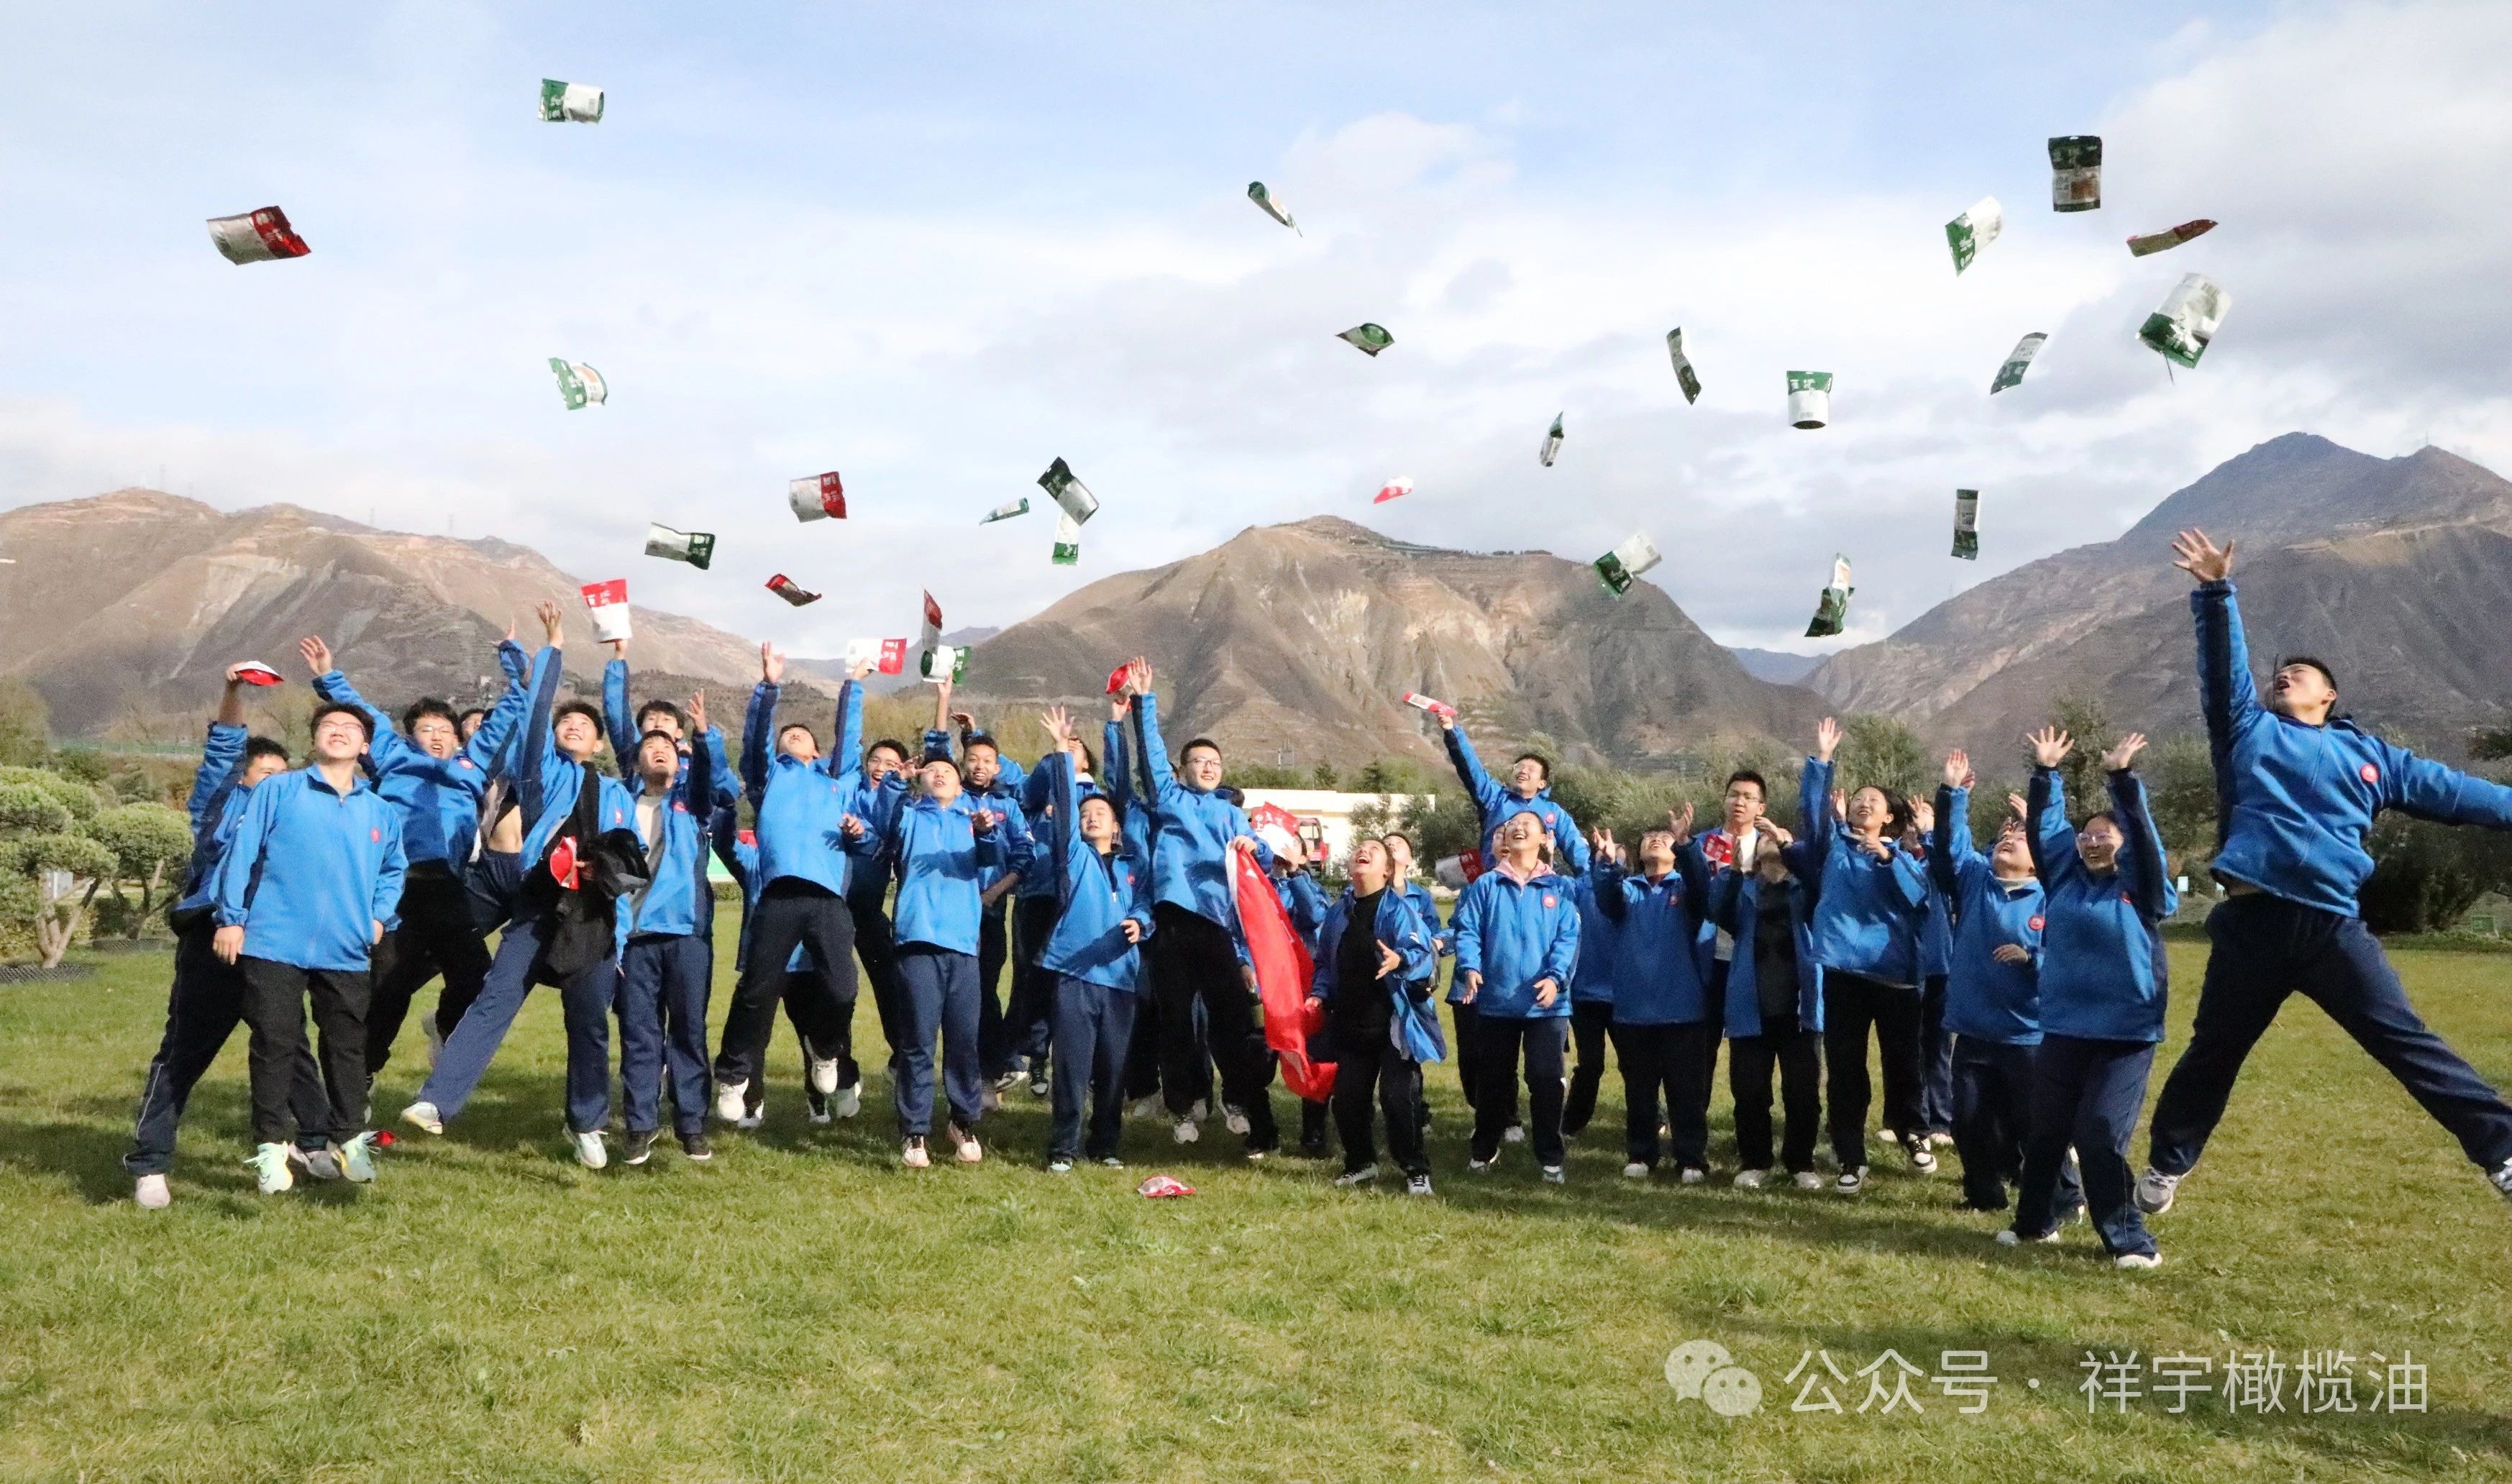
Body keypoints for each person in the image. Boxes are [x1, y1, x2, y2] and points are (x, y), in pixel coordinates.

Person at [2141, 528, 2512, 1216]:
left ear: (2329, 696)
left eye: (2300, 674)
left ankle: (2502, 1152)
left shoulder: (2374, 759)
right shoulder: (2247, 730)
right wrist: (2216, 592)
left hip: (2329, 927)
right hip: (2251, 924)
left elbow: (2459, 794)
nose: (2284, 677)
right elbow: (2222, 670)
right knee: (2214, 1052)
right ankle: (2167, 1162)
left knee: (2405, 1042)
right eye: (2279, 674)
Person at [403, 604, 641, 1168]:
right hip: (538, 905)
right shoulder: (544, 776)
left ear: (600, 745)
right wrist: (549, 650)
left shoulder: (619, 793)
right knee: (494, 999)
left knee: (588, 1023)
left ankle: (586, 1121)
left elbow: (628, 868)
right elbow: (533, 719)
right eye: (566, 723)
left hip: (595, 918)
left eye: (584, 725)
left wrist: (622, 941)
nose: (573, 726)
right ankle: (437, 1101)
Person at [124, 667, 332, 1207]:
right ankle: (150, 1164)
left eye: (284, 774)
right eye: (265, 772)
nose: (276, 782)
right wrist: (234, 691)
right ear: (243, 777)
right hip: (212, 942)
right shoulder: (220, 802)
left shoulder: (296, 816)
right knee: (183, 1052)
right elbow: (223, 746)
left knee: (289, 1045)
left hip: (272, 945)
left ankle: (313, 1143)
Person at [307, 636, 532, 1079]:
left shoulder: (471, 765)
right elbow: (364, 716)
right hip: (397, 887)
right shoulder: (393, 757)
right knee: (390, 986)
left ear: (458, 737)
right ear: (411, 736)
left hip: (448, 888)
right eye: (427, 729)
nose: (437, 736)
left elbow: (510, 713)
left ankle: (445, 1027)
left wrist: (516, 667)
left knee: (476, 975)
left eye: (445, 730)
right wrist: (328, 676)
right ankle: (362, 1073)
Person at [210, 696, 407, 1194]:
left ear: (365, 746)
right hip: (273, 939)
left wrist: (378, 919)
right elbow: (242, 853)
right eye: (328, 724)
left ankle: (350, 1138)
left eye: (349, 727)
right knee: (275, 1042)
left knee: (346, 1046)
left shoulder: (379, 810)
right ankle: (271, 1147)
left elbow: (394, 869)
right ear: (315, 738)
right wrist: (231, 919)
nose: (338, 730)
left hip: (346, 947)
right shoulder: (279, 790)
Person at [2004, 728, 2175, 1269]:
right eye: (2087, 835)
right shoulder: (2063, 879)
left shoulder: (2142, 887)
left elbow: (2144, 839)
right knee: (2045, 1133)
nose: (2093, 841)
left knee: (2099, 1132)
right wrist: (2045, 774)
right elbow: (2046, 830)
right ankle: (2034, 1223)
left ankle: (2130, 1241)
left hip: (2125, 1032)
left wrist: (2122, 780)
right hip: (2063, 1026)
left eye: (2105, 835)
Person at [714, 643, 872, 1122]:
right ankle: (733, 1077)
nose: (792, 736)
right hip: (778, 897)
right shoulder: (768, 780)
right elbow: (756, 739)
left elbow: (850, 736)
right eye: (787, 736)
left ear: (818, 751)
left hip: (827, 901)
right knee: (755, 991)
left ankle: (827, 1048)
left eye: (801, 735)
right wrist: (768, 687)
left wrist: (854, 684)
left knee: (842, 988)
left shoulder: (837, 780)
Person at [1129, 659, 1281, 1156]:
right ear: (1184, 769)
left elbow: (1264, 855)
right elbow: (1151, 757)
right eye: (1198, 761)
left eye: (1215, 762)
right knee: (1175, 1023)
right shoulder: (1169, 800)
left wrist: (1254, 846)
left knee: (1232, 1023)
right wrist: (1143, 701)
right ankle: (1183, 1107)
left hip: (1217, 928)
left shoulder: (1231, 813)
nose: (1209, 767)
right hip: (1173, 924)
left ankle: (1241, 1103)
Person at [1931, 751, 2076, 1216]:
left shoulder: (2051, 896)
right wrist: (1953, 794)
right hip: (1974, 1030)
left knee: (2036, 1124)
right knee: (1968, 1120)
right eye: (2004, 835)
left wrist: (2032, 958)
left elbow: (2067, 958)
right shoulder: (1976, 880)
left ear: (2038, 862)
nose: (2008, 839)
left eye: (2020, 837)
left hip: (2027, 1035)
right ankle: (1984, 1195)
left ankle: (2065, 1196)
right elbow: (1949, 849)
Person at [1801, 716, 1935, 1194]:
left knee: (1903, 1063)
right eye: (1858, 799)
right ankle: (1849, 1154)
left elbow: (1918, 900)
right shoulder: (1832, 847)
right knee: (1845, 1068)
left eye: (1873, 802)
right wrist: (1821, 761)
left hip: (1895, 976)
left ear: (1889, 819)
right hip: (1843, 973)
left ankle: (1913, 1131)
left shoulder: (1903, 859)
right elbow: (1811, 810)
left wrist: (1886, 857)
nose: (1863, 804)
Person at [865, 744, 1012, 1166]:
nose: (940, 774)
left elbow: (991, 860)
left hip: (964, 945)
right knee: (918, 1042)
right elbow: (885, 821)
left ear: (960, 783)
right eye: (931, 770)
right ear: (922, 780)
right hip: (917, 942)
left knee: (964, 1041)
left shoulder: (973, 820)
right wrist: (897, 781)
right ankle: (914, 1131)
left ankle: (963, 1122)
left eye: (948, 769)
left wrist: (986, 833)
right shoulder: (911, 816)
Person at [1029, 707, 1154, 1171]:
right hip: (1074, 974)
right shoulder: (1074, 857)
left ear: (1117, 826)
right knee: (1071, 1068)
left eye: (1101, 812)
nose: (1092, 817)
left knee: (1112, 1069)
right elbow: (1064, 808)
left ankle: (1105, 1145)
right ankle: (1063, 1148)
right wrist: (1062, 752)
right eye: (1087, 814)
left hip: (1121, 980)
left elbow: (1147, 906)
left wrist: (1141, 923)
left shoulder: (1134, 867)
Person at [612, 690, 719, 1165]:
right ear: (634, 761)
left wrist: (703, 735)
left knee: (689, 1032)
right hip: (634, 939)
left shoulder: (690, 805)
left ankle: (692, 1124)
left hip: (685, 935)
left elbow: (707, 780)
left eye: (667, 747)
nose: (659, 750)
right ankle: (640, 1126)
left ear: (680, 760)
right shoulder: (620, 806)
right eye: (649, 746)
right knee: (639, 1034)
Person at [923, 678, 1037, 1101]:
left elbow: (1024, 858)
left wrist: (992, 895)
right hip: (945, 915)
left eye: (987, 760)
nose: (978, 765)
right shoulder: (948, 800)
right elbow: (936, 753)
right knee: (949, 999)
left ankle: (989, 1076)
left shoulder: (1008, 807)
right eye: (972, 758)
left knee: (983, 994)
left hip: (988, 916)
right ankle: (964, 1072)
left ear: (998, 767)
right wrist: (943, 700)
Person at [1452, 810, 1581, 1181]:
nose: (1518, 828)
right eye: (1512, 826)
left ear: (1544, 839)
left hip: (1547, 1005)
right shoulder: (1487, 885)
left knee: (1546, 1079)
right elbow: (1468, 931)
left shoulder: (1559, 887)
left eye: (1527, 824)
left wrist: (1556, 979)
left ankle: (1551, 1159)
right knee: (1493, 1081)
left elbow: (1569, 938)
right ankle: (1484, 1150)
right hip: (1497, 1001)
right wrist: (1470, 967)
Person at [1308, 838, 1440, 1194]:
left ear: (1387, 870)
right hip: (1351, 1023)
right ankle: (1361, 1163)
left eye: (1374, 850)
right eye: (1359, 849)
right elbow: (1324, 963)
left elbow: (1423, 954)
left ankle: (1415, 1168)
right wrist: (1319, 994)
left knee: (1398, 1099)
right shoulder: (1338, 912)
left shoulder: (1400, 910)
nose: (1363, 852)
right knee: (1348, 1100)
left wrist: (1401, 960)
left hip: (1394, 1023)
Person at [1591, 810, 1716, 1181]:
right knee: (1639, 1090)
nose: (1656, 840)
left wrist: (1687, 844)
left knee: (1686, 1090)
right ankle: (1642, 1153)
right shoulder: (1627, 890)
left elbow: (1703, 886)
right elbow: (1606, 897)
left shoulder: (1686, 889)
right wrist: (1608, 864)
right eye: (1648, 838)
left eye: (1664, 837)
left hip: (1683, 1007)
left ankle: (1691, 1158)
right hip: (1633, 1008)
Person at [1708, 820, 1826, 1190]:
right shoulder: (1744, 889)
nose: (1772, 842)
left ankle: (1800, 1162)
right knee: (1750, 1092)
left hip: (1800, 1008)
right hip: (1750, 1006)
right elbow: (1718, 912)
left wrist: (1793, 849)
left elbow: (1818, 882)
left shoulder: (1805, 889)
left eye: (1780, 839)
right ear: (1755, 854)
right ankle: (1755, 1160)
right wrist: (1733, 873)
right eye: (1766, 840)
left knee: (1802, 1093)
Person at [1435, 710, 1589, 876]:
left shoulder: (1554, 813)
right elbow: (1471, 769)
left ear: (1542, 783)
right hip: (1497, 880)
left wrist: (1592, 880)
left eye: (1531, 769)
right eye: (1519, 767)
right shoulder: (1495, 798)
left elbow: (1577, 849)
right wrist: (1452, 731)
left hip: (1538, 884)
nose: (1523, 771)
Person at [1559, 841, 1620, 1140]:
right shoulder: (1577, 888)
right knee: (1591, 1063)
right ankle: (1572, 1123)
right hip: (1584, 994)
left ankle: (1652, 1117)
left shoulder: (1628, 890)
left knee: (1636, 1064)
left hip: (1623, 995)